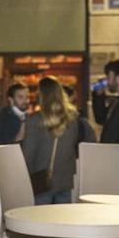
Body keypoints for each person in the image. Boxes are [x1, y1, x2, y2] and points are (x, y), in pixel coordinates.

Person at [21, 75, 95, 205]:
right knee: (63, 221)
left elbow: (28, 155)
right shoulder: (73, 119)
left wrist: (25, 180)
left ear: (41, 96)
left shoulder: (34, 120)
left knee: (40, 221)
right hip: (67, 180)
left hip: (41, 181)